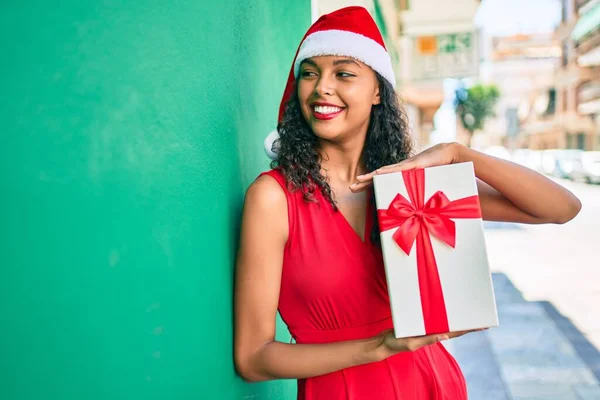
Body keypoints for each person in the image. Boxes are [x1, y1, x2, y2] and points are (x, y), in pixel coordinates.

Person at [233, 6, 581, 399]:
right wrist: (379, 346)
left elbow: (561, 208)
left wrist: (458, 153)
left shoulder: (415, 190)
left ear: (378, 90)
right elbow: (253, 357)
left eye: (343, 73)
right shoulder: (273, 198)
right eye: (309, 73)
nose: (321, 87)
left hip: (433, 383)